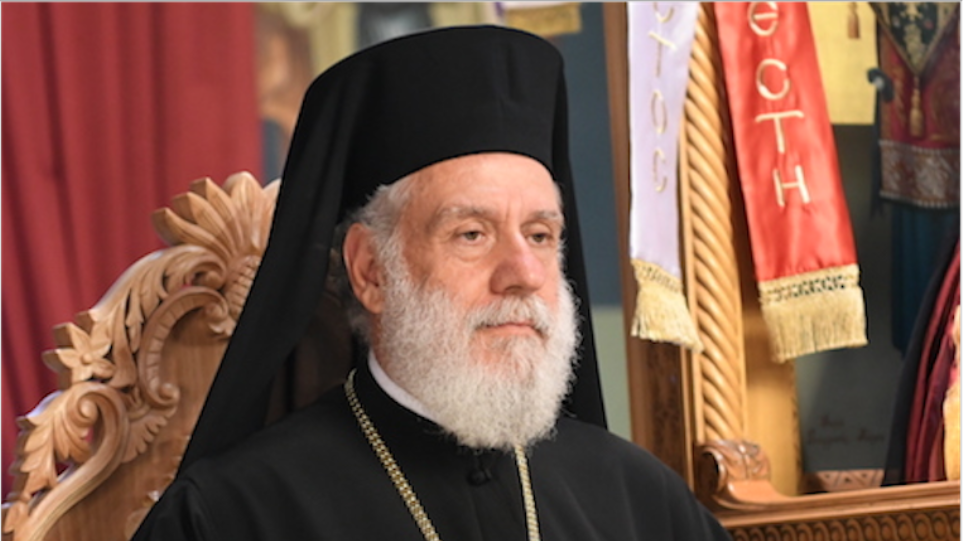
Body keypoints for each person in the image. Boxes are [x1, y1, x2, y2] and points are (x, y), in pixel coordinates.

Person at [132, 25, 732, 541]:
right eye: (471, 234)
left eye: (540, 235)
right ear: (371, 271)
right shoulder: (232, 516)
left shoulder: (641, 501)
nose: (524, 274)